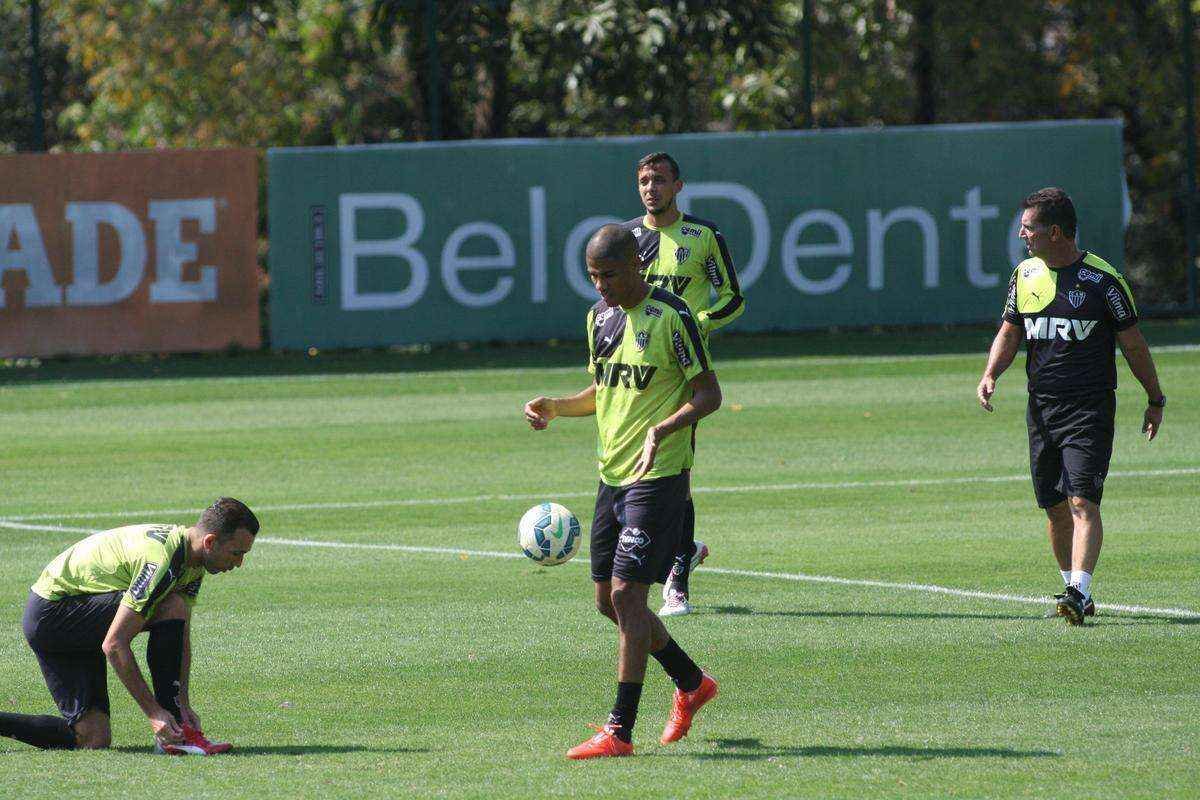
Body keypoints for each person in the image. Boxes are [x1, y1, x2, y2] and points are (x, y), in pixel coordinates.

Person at [524, 224, 721, 759]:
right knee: (606, 603)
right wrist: (557, 407)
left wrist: (664, 428)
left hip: (658, 477)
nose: (601, 286)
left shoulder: (672, 317)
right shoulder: (599, 318)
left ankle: (619, 730)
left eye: (609, 275)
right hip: (611, 473)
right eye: (593, 277)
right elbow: (603, 388)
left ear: (636, 264)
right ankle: (691, 682)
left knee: (627, 596)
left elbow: (708, 393)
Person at [977, 188, 1164, 625]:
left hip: (1089, 409)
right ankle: (1071, 587)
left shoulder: (1103, 281)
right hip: (1041, 410)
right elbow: (1010, 332)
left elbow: (1134, 345)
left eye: (1029, 227)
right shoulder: (1024, 276)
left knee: (1083, 502)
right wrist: (990, 374)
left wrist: (1155, 398)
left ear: (1054, 232)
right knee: (1054, 506)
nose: (1023, 234)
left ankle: (1079, 590)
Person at [0, 497, 259, 753]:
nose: (239, 563)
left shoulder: (193, 560)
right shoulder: (163, 561)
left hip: (75, 615)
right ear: (210, 542)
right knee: (171, 605)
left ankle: (177, 727)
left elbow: (180, 635)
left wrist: (184, 703)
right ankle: (176, 735)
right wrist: (155, 713)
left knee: (92, 738)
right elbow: (114, 644)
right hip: (52, 615)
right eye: (236, 553)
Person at [622, 151, 746, 617]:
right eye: (643, 181)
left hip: (682, 368)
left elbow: (733, 297)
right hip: (636, 370)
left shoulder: (703, 236)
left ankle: (677, 581)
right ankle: (682, 548)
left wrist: (701, 322)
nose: (650, 188)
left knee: (678, 473)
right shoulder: (628, 238)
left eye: (658, 180)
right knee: (638, 469)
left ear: (678, 186)